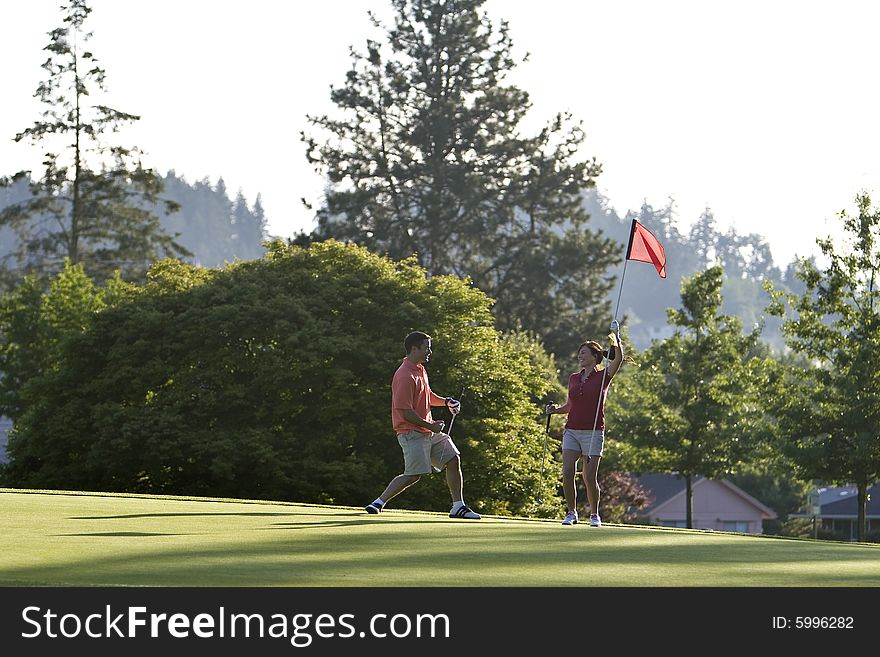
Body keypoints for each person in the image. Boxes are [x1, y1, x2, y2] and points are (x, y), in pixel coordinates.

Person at [364, 331, 481, 519]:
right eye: (426, 348)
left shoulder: (420, 369)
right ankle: (378, 503)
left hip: (428, 431)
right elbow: (405, 412)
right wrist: (431, 425)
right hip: (411, 433)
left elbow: (427, 396)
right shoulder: (404, 376)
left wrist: (446, 402)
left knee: (453, 458)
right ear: (414, 348)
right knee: (412, 476)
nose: (430, 352)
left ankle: (458, 506)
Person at [546, 320, 626, 527]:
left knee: (589, 477)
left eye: (584, 353)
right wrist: (554, 411)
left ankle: (594, 515)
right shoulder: (573, 378)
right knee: (567, 472)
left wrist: (615, 337)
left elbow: (619, 358)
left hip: (593, 432)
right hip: (571, 430)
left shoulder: (604, 376)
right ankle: (571, 513)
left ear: (595, 356)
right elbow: (569, 405)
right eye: (579, 353)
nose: (580, 356)